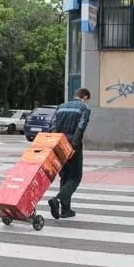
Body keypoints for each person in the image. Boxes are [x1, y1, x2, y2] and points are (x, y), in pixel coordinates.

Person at [45, 87, 91, 219]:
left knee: (64, 176)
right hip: (72, 145)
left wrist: (56, 142)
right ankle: (58, 200)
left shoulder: (61, 107)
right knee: (75, 177)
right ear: (85, 97)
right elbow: (80, 127)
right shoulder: (84, 108)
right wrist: (73, 145)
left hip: (59, 143)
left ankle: (66, 210)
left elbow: (52, 125)